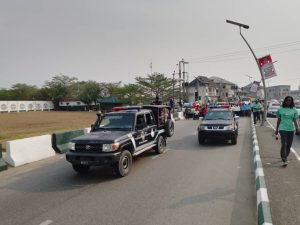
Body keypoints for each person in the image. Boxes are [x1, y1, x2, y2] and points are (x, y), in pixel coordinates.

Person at [275, 96, 300, 166]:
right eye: (287, 100)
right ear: (285, 101)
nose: (289, 101)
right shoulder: (280, 109)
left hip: (291, 129)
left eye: (290, 100)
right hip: (283, 129)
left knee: (289, 145)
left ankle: (285, 155)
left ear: (292, 102)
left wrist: (297, 128)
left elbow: (295, 120)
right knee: (284, 144)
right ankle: (284, 159)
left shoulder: (294, 110)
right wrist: (277, 129)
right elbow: (279, 120)